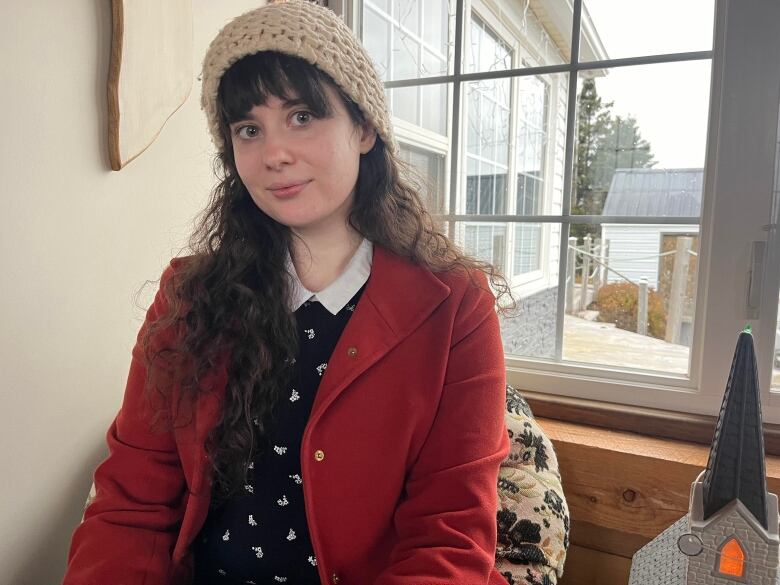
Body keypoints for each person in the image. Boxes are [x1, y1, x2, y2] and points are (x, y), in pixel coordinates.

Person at [63, 1, 515, 583]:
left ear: (363, 127)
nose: (274, 153)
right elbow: (131, 503)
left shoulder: (454, 304)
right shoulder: (189, 295)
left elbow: (450, 532)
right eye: (249, 129)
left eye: (301, 116)